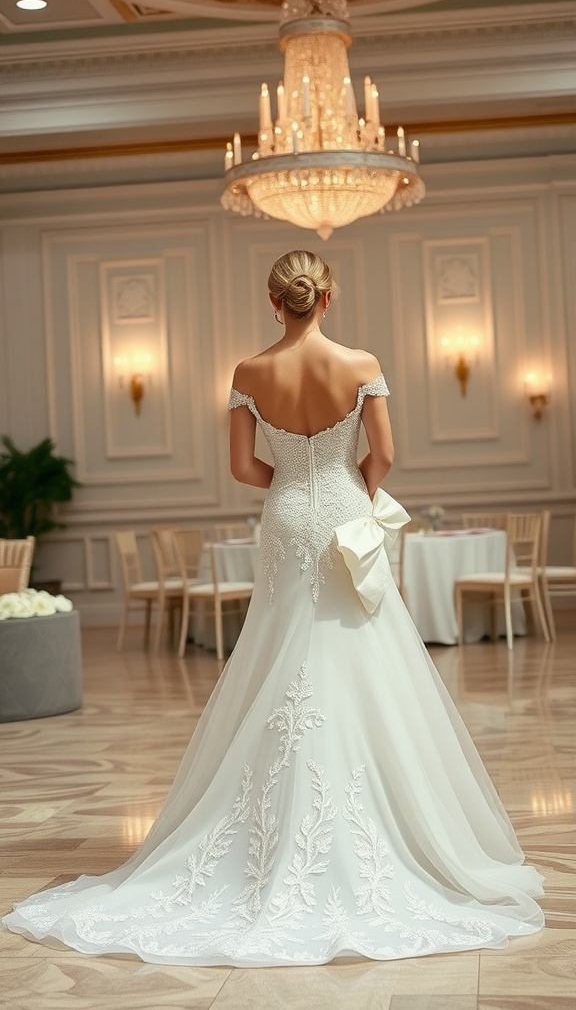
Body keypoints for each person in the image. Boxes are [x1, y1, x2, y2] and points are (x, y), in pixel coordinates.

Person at [3, 250, 544, 966]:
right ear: (328, 297)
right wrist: (348, 487)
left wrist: (291, 481)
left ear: (274, 302)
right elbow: (384, 453)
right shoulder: (360, 362)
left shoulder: (248, 372)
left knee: (281, 646)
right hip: (347, 509)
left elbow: (239, 467)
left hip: (285, 517)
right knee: (359, 646)